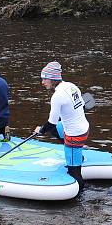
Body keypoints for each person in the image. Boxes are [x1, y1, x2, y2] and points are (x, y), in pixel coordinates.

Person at [34, 61, 89, 191]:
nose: (42, 82)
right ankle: (78, 155)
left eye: (45, 78)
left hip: (74, 136)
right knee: (54, 129)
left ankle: (80, 200)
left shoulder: (57, 96)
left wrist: (40, 131)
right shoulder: (71, 86)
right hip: (84, 128)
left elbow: (51, 122)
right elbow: (83, 105)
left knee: (74, 173)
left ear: (53, 79)